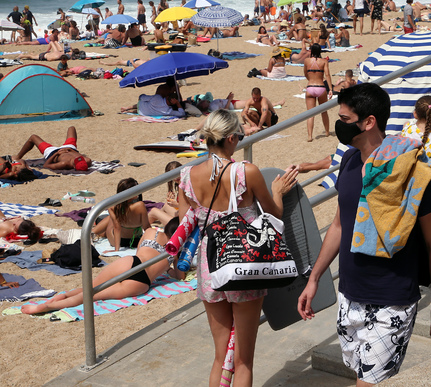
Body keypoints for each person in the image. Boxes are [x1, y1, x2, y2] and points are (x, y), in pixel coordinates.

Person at [297, 83, 431, 385]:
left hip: (391, 299)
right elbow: (340, 225)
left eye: (345, 118)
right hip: (350, 296)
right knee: (360, 376)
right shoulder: (350, 162)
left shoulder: (412, 174)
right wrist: (314, 279)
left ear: (368, 122)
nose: (340, 125)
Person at [178, 109, 297, 386]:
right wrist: (278, 192)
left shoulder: (187, 176)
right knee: (243, 360)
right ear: (231, 138)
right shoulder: (246, 172)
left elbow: (185, 223)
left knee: (221, 357)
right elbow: (273, 216)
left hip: (210, 266)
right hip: (244, 263)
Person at [23, 218, 182, 315]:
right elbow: (178, 276)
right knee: (93, 296)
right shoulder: (174, 252)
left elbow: (139, 250)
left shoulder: (151, 231)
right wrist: (166, 267)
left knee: (91, 288)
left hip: (131, 262)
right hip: (141, 281)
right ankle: (48, 307)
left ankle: (62, 297)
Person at [92, 178, 152, 252]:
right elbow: (147, 227)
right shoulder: (140, 205)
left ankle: (92, 232)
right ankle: (96, 232)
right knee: (112, 218)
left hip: (119, 241)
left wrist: (116, 249)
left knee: (111, 218)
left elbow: (117, 228)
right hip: (136, 241)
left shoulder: (113, 207)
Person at [15, 126, 92, 171]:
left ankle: (18, 156)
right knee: (71, 128)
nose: (78, 158)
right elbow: (79, 154)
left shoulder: (64, 163)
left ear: (74, 166)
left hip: (53, 152)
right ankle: (68, 149)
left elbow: (46, 165)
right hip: (69, 148)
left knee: (33, 137)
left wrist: (56, 153)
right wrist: (70, 150)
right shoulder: (87, 161)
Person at [303, 43, 333, 142]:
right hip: (320, 86)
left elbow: (305, 74)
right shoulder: (324, 61)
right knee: (324, 111)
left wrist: (310, 79)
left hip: (310, 86)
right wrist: (330, 89)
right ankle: (327, 132)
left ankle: (309, 136)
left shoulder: (307, 61)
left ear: (311, 50)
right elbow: (327, 75)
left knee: (310, 114)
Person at [121, 92, 186, 118]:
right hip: (143, 113)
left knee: (144, 102)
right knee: (146, 109)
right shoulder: (168, 111)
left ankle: (127, 108)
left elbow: (142, 97)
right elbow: (182, 114)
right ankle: (128, 112)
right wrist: (178, 103)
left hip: (142, 105)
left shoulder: (157, 97)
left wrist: (141, 96)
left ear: (167, 97)